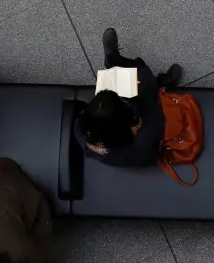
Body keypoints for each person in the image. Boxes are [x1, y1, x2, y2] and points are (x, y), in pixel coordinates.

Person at [74, 28, 181, 167]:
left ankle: (113, 60)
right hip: (146, 154)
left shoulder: (81, 130)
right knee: (143, 74)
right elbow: (154, 114)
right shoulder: (145, 135)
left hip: (124, 148)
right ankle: (159, 84)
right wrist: (137, 99)